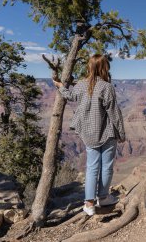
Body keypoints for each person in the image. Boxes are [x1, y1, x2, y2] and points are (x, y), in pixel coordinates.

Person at [53, 54, 125, 216]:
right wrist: (121, 133)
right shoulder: (106, 87)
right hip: (107, 133)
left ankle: (89, 204)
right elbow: (114, 113)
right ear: (105, 68)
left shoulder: (80, 85)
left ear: (90, 67)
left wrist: (60, 86)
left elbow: (70, 96)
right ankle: (104, 197)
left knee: (92, 167)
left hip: (88, 133)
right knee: (106, 167)